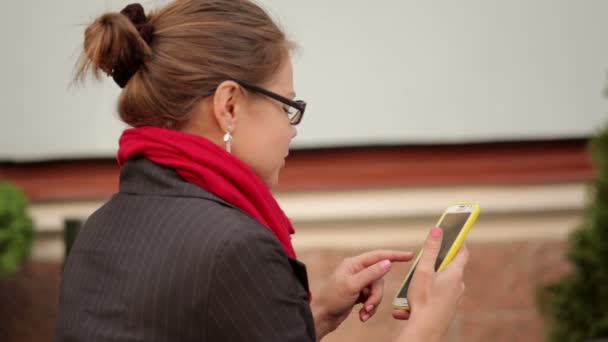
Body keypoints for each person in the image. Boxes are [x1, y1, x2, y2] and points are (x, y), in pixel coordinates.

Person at [55, 1, 469, 341]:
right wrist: (427, 323)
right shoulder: (235, 248)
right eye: (286, 105)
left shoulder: (100, 228)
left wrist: (319, 312)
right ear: (229, 105)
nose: (291, 128)